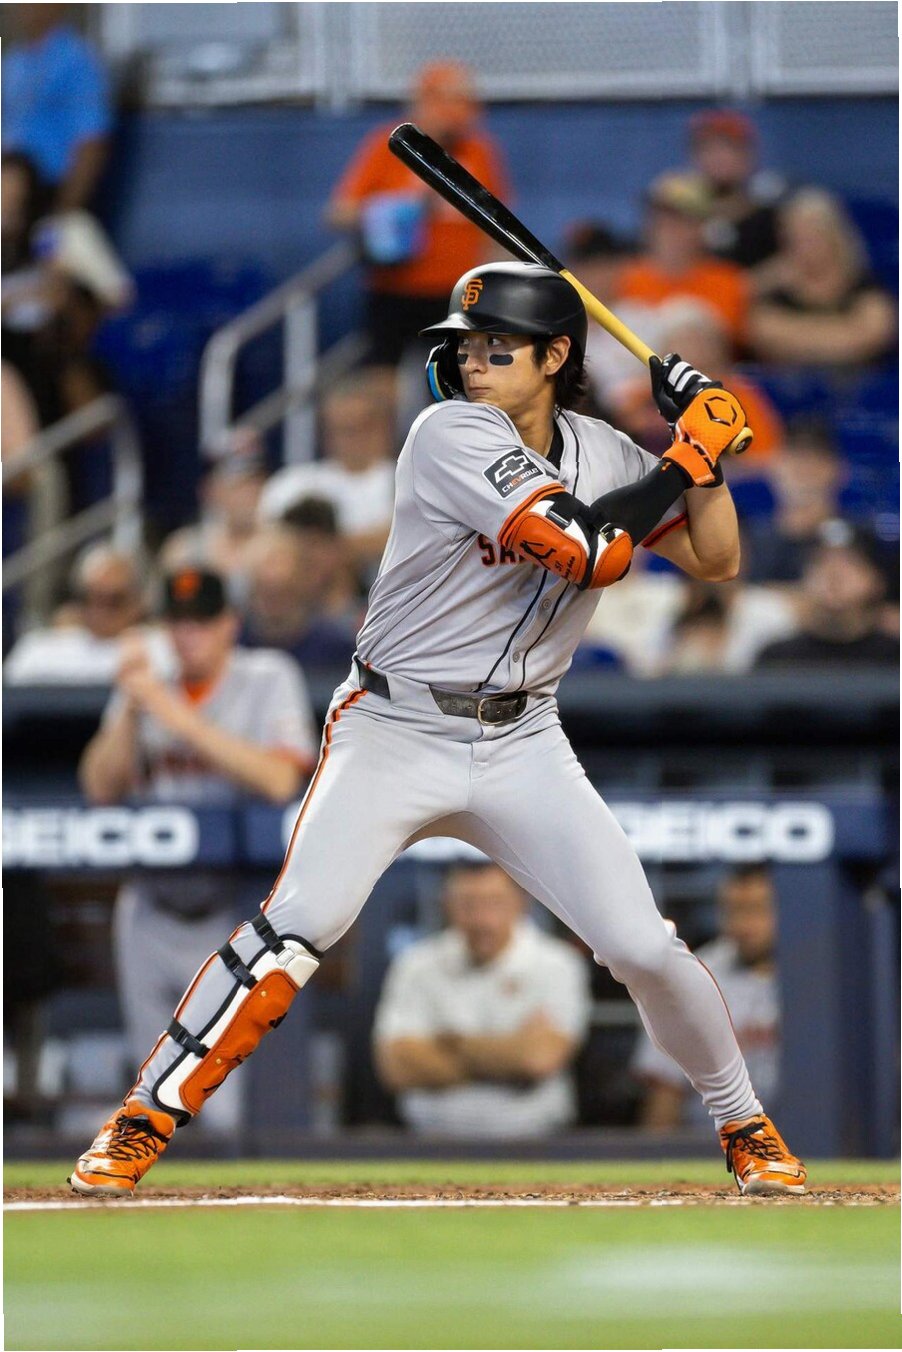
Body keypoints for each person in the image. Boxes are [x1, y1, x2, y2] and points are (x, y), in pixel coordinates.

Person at [70, 261, 805, 1199]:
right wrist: (686, 457)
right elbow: (584, 551)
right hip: (396, 725)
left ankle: (744, 1123)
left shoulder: (607, 452)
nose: (472, 364)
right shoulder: (449, 432)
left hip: (523, 738)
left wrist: (706, 446)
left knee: (641, 945)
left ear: (555, 356)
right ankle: (141, 1120)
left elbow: (718, 556)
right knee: (298, 926)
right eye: (466, 348)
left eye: (498, 348)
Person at [78, 567, 318, 1133]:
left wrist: (173, 715)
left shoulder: (266, 675)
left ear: (229, 624)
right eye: (179, 623)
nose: (189, 636)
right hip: (149, 908)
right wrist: (132, 707)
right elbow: (99, 787)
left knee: (220, 1105)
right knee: (152, 1092)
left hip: (231, 914)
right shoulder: (147, 685)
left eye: (202, 622)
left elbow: (281, 779)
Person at [373, 859, 590, 1137]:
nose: (481, 920)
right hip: (429, 1142)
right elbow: (397, 1067)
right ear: (447, 906)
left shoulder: (558, 964)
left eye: (494, 903)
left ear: (521, 903)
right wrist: (510, 1056)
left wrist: (448, 1043)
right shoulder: (416, 964)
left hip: (535, 1141)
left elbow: (539, 1059)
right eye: (468, 905)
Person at [327, 61, 509, 367]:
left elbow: (496, 226)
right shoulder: (391, 145)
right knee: (380, 377)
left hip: (459, 294)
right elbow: (339, 213)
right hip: (395, 288)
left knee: (453, 380)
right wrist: (399, 210)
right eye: (448, 103)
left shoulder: (478, 151)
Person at [634, 865, 780, 1129]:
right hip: (712, 1140)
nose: (743, 926)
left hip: (807, 1138)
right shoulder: (695, 973)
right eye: (732, 911)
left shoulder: (820, 974)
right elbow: (666, 1088)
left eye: (756, 910)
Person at [258, 378, 397, 585]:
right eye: (341, 428)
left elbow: (412, 540)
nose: (351, 438)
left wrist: (317, 546)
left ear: (383, 428)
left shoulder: (406, 478)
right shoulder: (293, 482)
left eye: (360, 426)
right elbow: (267, 542)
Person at [748, 189, 896, 367]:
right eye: (795, 237)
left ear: (834, 236)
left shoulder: (863, 284)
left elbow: (872, 335)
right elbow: (762, 332)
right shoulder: (772, 290)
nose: (804, 246)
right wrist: (844, 331)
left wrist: (795, 336)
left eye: (813, 235)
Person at [615, 172, 751, 352]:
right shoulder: (622, 278)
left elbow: (723, 344)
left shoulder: (726, 280)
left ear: (702, 228)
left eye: (681, 220)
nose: (669, 228)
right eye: (660, 218)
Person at [4, 543, 169, 684]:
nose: (100, 609)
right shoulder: (39, 650)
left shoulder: (162, 649)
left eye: (114, 600)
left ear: (138, 601)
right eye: (91, 598)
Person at [2, 5, 112, 213]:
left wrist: (63, 211)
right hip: (11, 188)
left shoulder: (78, 60)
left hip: (50, 191)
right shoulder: (14, 60)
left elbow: (92, 144)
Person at [754, 520, 897, 668]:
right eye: (820, 562)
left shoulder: (894, 656)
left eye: (850, 562)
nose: (833, 574)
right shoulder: (778, 658)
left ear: (877, 580)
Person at [239, 514, 361, 670]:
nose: (274, 601)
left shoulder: (338, 647)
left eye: (284, 591)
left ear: (303, 580)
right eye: (264, 588)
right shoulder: (231, 644)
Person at [688, 109, 785, 269]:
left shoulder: (774, 220)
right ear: (695, 158)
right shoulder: (679, 219)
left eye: (729, 148)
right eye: (709, 149)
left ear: (749, 157)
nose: (719, 158)